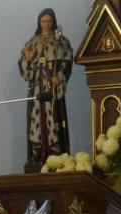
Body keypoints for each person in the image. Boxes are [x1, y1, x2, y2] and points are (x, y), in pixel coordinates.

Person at [18, 8, 73, 165]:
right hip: (37, 86)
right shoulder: (32, 43)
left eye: (49, 21)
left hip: (52, 88)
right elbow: (24, 70)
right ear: (39, 23)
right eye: (43, 21)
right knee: (36, 117)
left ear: (53, 22)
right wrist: (28, 60)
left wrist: (60, 76)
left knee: (53, 115)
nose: (46, 24)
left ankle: (55, 151)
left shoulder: (61, 42)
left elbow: (67, 63)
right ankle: (38, 152)